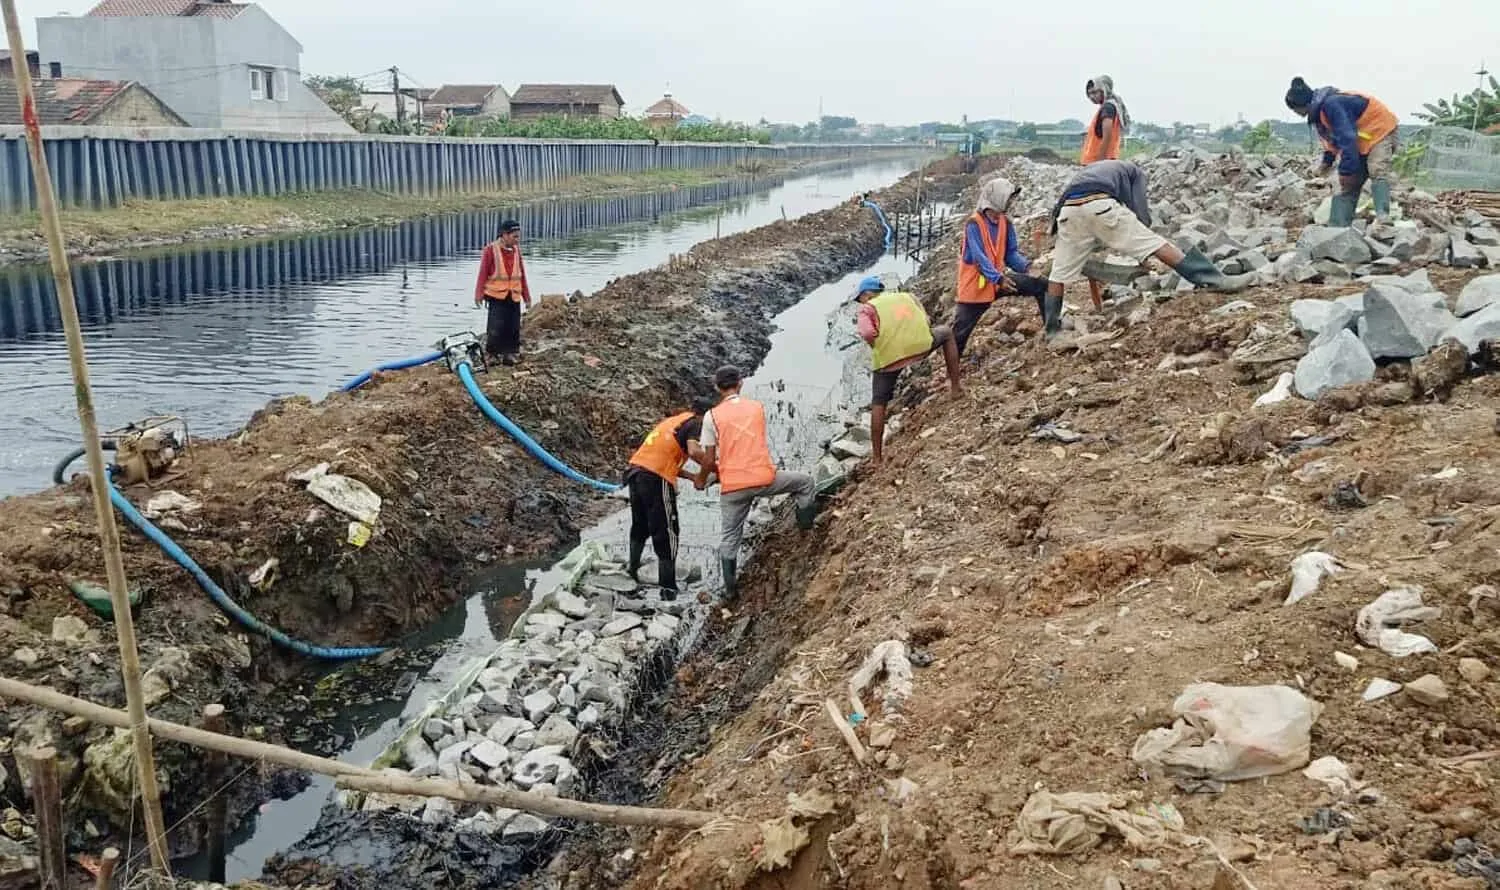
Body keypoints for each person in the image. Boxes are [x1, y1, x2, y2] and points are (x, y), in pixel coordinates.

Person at [1041, 160, 1253, 337]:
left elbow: (1063, 208)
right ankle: (1214, 279)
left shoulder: (1091, 172)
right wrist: (1143, 251)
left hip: (1068, 211)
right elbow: (1141, 214)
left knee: (1059, 273)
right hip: (1100, 204)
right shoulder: (1136, 173)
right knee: (1156, 243)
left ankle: (1052, 330)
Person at [700, 365, 816, 599]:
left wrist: (705, 478)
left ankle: (731, 591)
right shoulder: (757, 408)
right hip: (764, 478)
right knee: (806, 483)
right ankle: (806, 534)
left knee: (730, 537)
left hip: (732, 487)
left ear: (716, 387)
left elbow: (709, 459)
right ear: (740, 383)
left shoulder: (710, 417)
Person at [853, 275, 962, 465]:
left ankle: (877, 458)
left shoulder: (867, 309)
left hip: (889, 359)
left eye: (860, 298)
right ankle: (956, 388)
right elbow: (926, 319)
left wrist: (876, 344)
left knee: (879, 402)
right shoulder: (907, 296)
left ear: (867, 294)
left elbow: (867, 332)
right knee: (946, 332)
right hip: (921, 346)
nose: (859, 302)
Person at [624, 397, 715, 598]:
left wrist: (692, 477)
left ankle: (632, 570)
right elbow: (694, 451)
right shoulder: (697, 423)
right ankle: (668, 587)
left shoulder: (674, 421)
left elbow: (664, 457)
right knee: (667, 529)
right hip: (655, 478)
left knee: (640, 524)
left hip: (635, 471)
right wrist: (712, 468)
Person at [1284, 77, 1399, 226]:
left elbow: (1347, 138)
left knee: (1376, 169)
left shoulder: (1332, 105)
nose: (1295, 113)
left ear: (1302, 105)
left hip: (1380, 130)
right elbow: (1332, 142)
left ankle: (1383, 218)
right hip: (1362, 138)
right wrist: (1327, 163)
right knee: (1351, 181)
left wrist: (1345, 172)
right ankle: (1338, 226)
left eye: (1294, 109)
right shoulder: (1319, 115)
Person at [954, 177, 1049, 354]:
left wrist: (1027, 267)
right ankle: (950, 375)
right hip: (976, 289)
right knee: (959, 335)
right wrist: (998, 279)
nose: (1011, 202)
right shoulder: (974, 224)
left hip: (998, 282)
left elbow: (1010, 254)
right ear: (997, 198)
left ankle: (1051, 330)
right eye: (1009, 198)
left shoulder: (1005, 222)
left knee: (1042, 285)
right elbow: (979, 259)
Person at [473, 219, 532, 364]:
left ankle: (510, 354)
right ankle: (492, 354)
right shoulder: (490, 250)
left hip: (514, 294)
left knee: (513, 326)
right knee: (495, 326)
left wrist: (527, 296)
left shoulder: (517, 250)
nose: (517, 240)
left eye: (518, 236)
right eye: (515, 236)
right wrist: (478, 294)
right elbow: (483, 273)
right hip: (496, 295)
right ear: (505, 235)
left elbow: (522, 273)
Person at [1081, 75, 1130, 164]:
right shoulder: (1110, 106)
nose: (1091, 97)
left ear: (1104, 90)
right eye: (1089, 94)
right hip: (1105, 161)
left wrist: (1100, 161)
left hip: (1098, 162)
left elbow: (1107, 135)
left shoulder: (1107, 108)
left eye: (1094, 92)